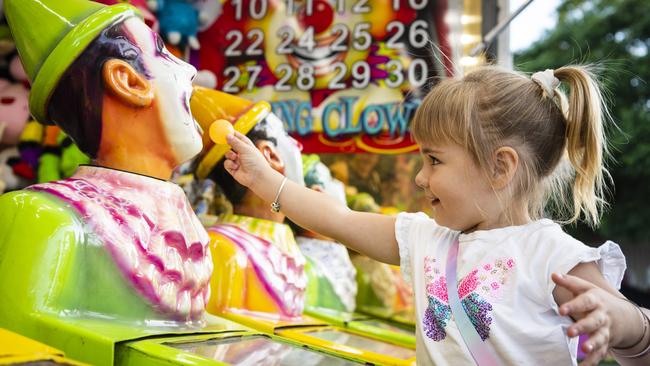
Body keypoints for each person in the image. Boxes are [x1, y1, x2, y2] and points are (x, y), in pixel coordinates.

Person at [222, 65, 650, 365]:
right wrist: (265, 181)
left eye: (434, 161)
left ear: (500, 167)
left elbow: (641, 337)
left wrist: (621, 322)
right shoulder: (425, 239)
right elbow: (339, 219)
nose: (421, 178)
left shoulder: (551, 255)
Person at [0, 0, 212, 347]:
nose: (189, 70)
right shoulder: (42, 217)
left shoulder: (189, 227)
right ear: (127, 81)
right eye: (162, 53)